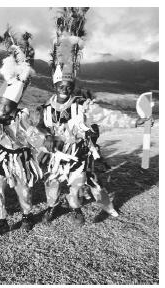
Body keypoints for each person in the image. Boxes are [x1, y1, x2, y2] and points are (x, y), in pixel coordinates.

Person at [40, 7, 119, 226]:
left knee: (76, 185)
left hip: (77, 154)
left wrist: (136, 121)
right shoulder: (47, 107)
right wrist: (46, 135)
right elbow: (40, 126)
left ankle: (75, 209)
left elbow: (107, 116)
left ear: (72, 86)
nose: (64, 88)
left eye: (68, 85)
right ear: (55, 86)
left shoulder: (81, 106)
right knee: (52, 184)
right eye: (60, 85)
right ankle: (52, 207)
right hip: (56, 155)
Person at [0, 31, 45, 235]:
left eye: (6, 105)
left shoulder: (22, 117)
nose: (1, 107)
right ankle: (0, 221)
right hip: (2, 159)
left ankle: (27, 215)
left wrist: (46, 143)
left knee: (22, 190)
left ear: (15, 106)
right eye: (0, 103)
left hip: (20, 159)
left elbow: (34, 135)